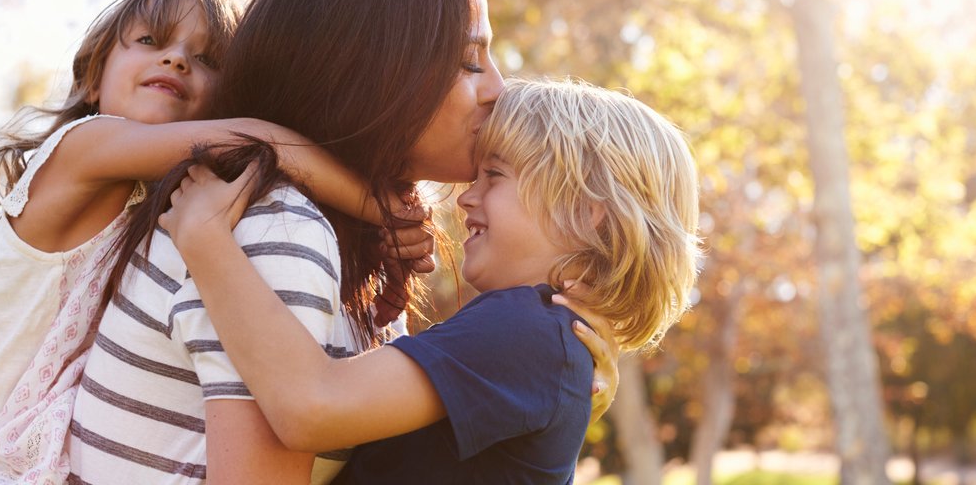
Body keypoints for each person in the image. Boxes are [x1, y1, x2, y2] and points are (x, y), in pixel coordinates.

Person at [65, 0, 618, 484]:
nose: (499, 87)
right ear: (372, 70)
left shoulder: (335, 239)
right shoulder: (276, 230)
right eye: (469, 59)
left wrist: (549, 386)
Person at [0, 0, 412, 485]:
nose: (177, 59)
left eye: (207, 59)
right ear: (93, 79)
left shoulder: (158, 210)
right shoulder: (80, 149)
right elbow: (259, 141)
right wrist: (386, 209)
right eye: (150, 41)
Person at [162, 77, 703, 484]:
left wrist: (206, 238)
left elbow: (311, 408)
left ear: (587, 213)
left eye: (495, 176)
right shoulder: (545, 339)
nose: (466, 196)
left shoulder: (525, 329)